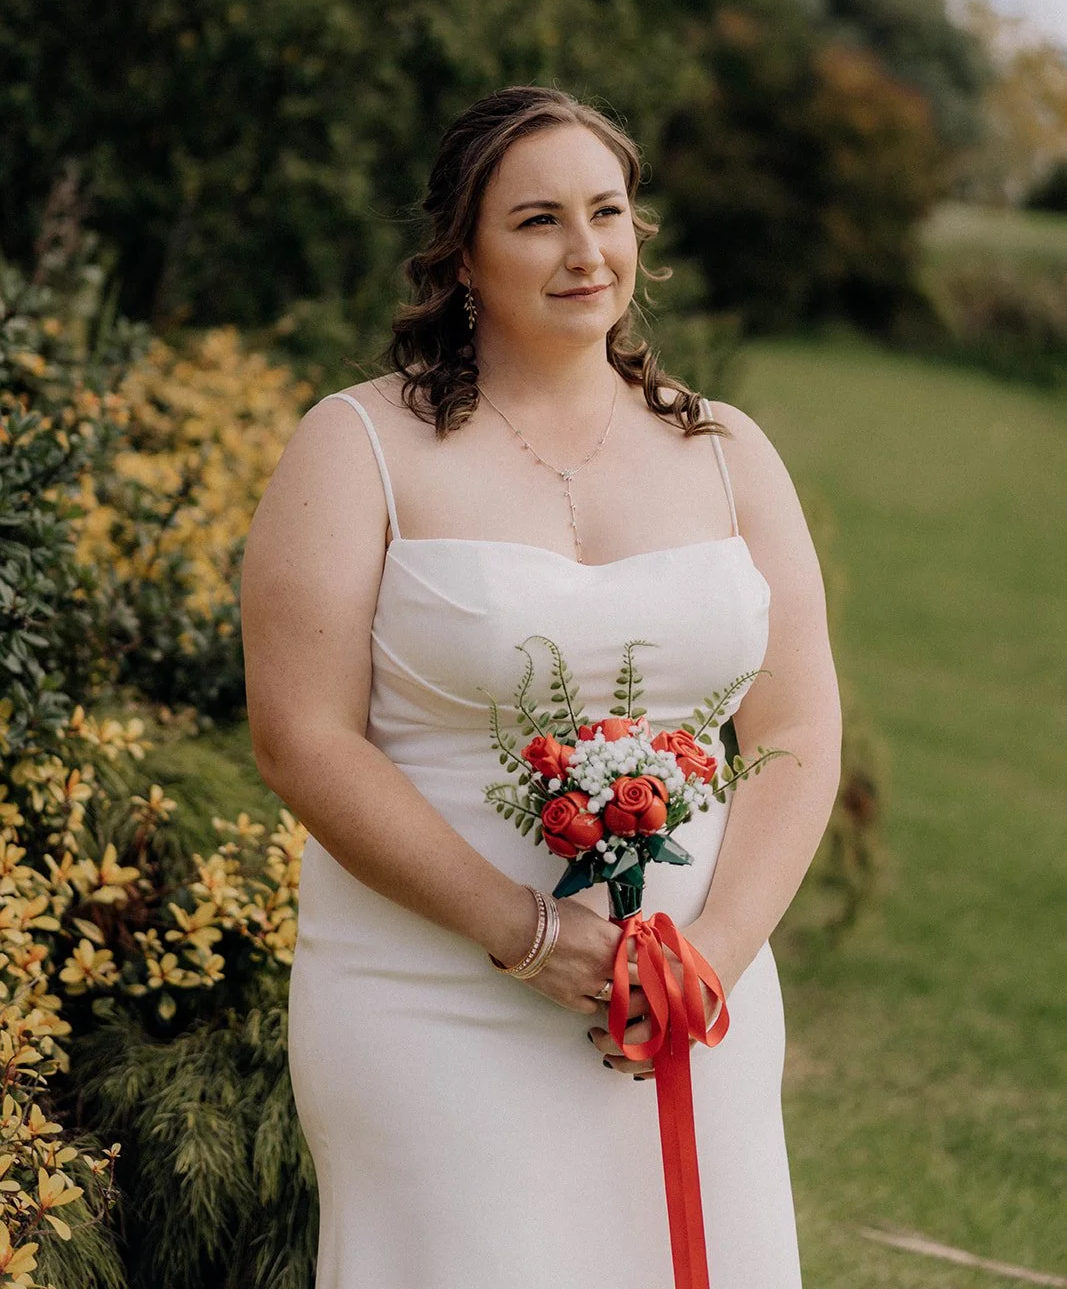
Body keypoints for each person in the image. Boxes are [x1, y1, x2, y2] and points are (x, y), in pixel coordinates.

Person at [239, 85, 842, 1289]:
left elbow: (793, 729)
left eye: (606, 211)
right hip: (426, 994)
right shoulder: (357, 447)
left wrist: (710, 957)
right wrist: (527, 935)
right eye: (537, 220)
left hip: (686, 998)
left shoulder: (726, 452)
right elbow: (304, 738)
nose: (585, 251)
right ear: (460, 254)